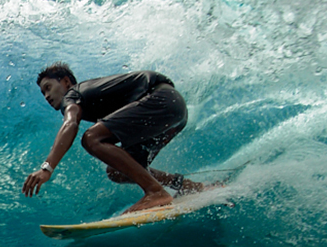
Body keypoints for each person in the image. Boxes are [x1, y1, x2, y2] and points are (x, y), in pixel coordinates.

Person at [21, 62, 208, 213]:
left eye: (48, 87)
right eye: (43, 92)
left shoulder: (72, 94)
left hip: (160, 100)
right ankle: (187, 185)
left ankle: (155, 192)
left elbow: (70, 124)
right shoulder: (92, 93)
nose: (46, 96)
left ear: (66, 82)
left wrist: (47, 168)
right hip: (174, 112)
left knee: (91, 138)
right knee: (117, 171)